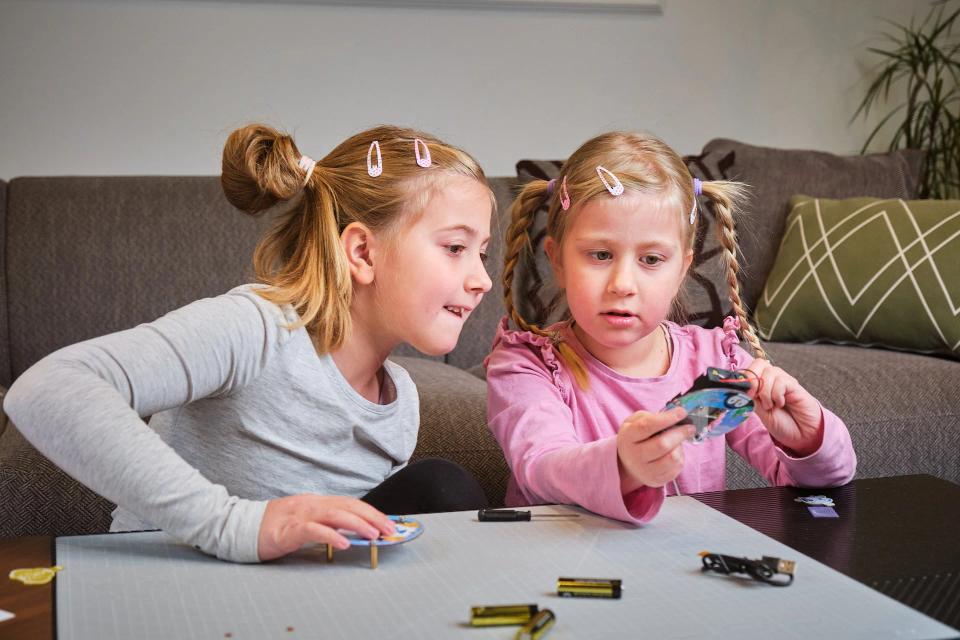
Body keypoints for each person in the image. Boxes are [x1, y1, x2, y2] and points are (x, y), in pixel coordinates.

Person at [4, 124, 494, 562]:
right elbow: (49, 387)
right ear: (362, 252)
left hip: (300, 596)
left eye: (484, 254)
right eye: (455, 247)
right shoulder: (258, 327)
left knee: (438, 489)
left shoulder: (399, 401)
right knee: (441, 486)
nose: (482, 281)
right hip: (180, 585)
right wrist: (235, 524)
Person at [486, 131, 855, 524]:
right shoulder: (527, 363)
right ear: (556, 259)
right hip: (564, 565)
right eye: (600, 254)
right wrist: (625, 465)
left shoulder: (716, 360)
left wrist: (806, 440)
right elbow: (542, 469)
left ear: (682, 269)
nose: (623, 284)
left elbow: (818, 482)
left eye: (651, 259)